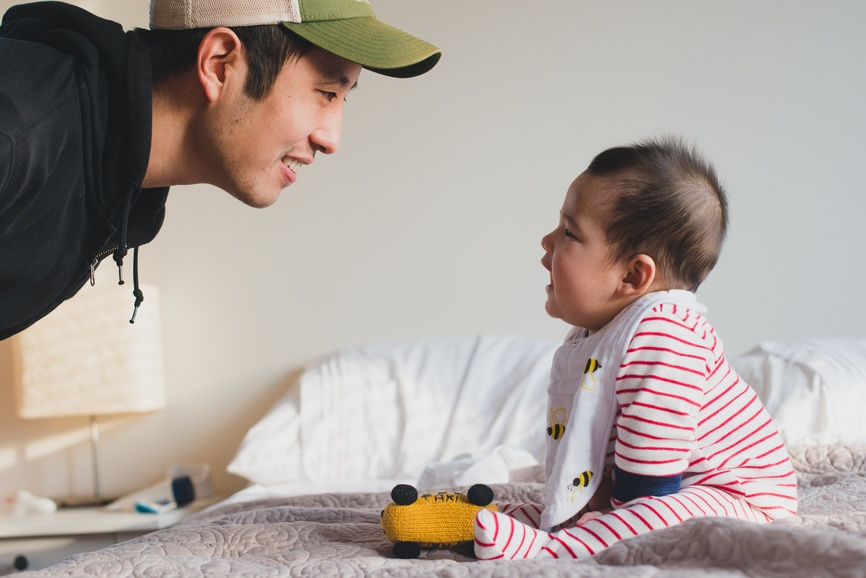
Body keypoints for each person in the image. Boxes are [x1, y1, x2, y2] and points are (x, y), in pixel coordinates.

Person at [0, 0, 440, 340]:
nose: (332, 139)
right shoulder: (17, 134)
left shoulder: (117, 185)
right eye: (326, 92)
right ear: (219, 64)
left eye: (345, 99)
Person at [473, 137, 798, 560]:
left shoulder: (664, 332)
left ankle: (551, 552)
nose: (546, 242)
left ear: (632, 276)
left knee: (655, 517)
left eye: (569, 232)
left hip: (740, 498)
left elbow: (649, 483)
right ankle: (511, 524)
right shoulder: (599, 333)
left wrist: (610, 518)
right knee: (572, 512)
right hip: (662, 488)